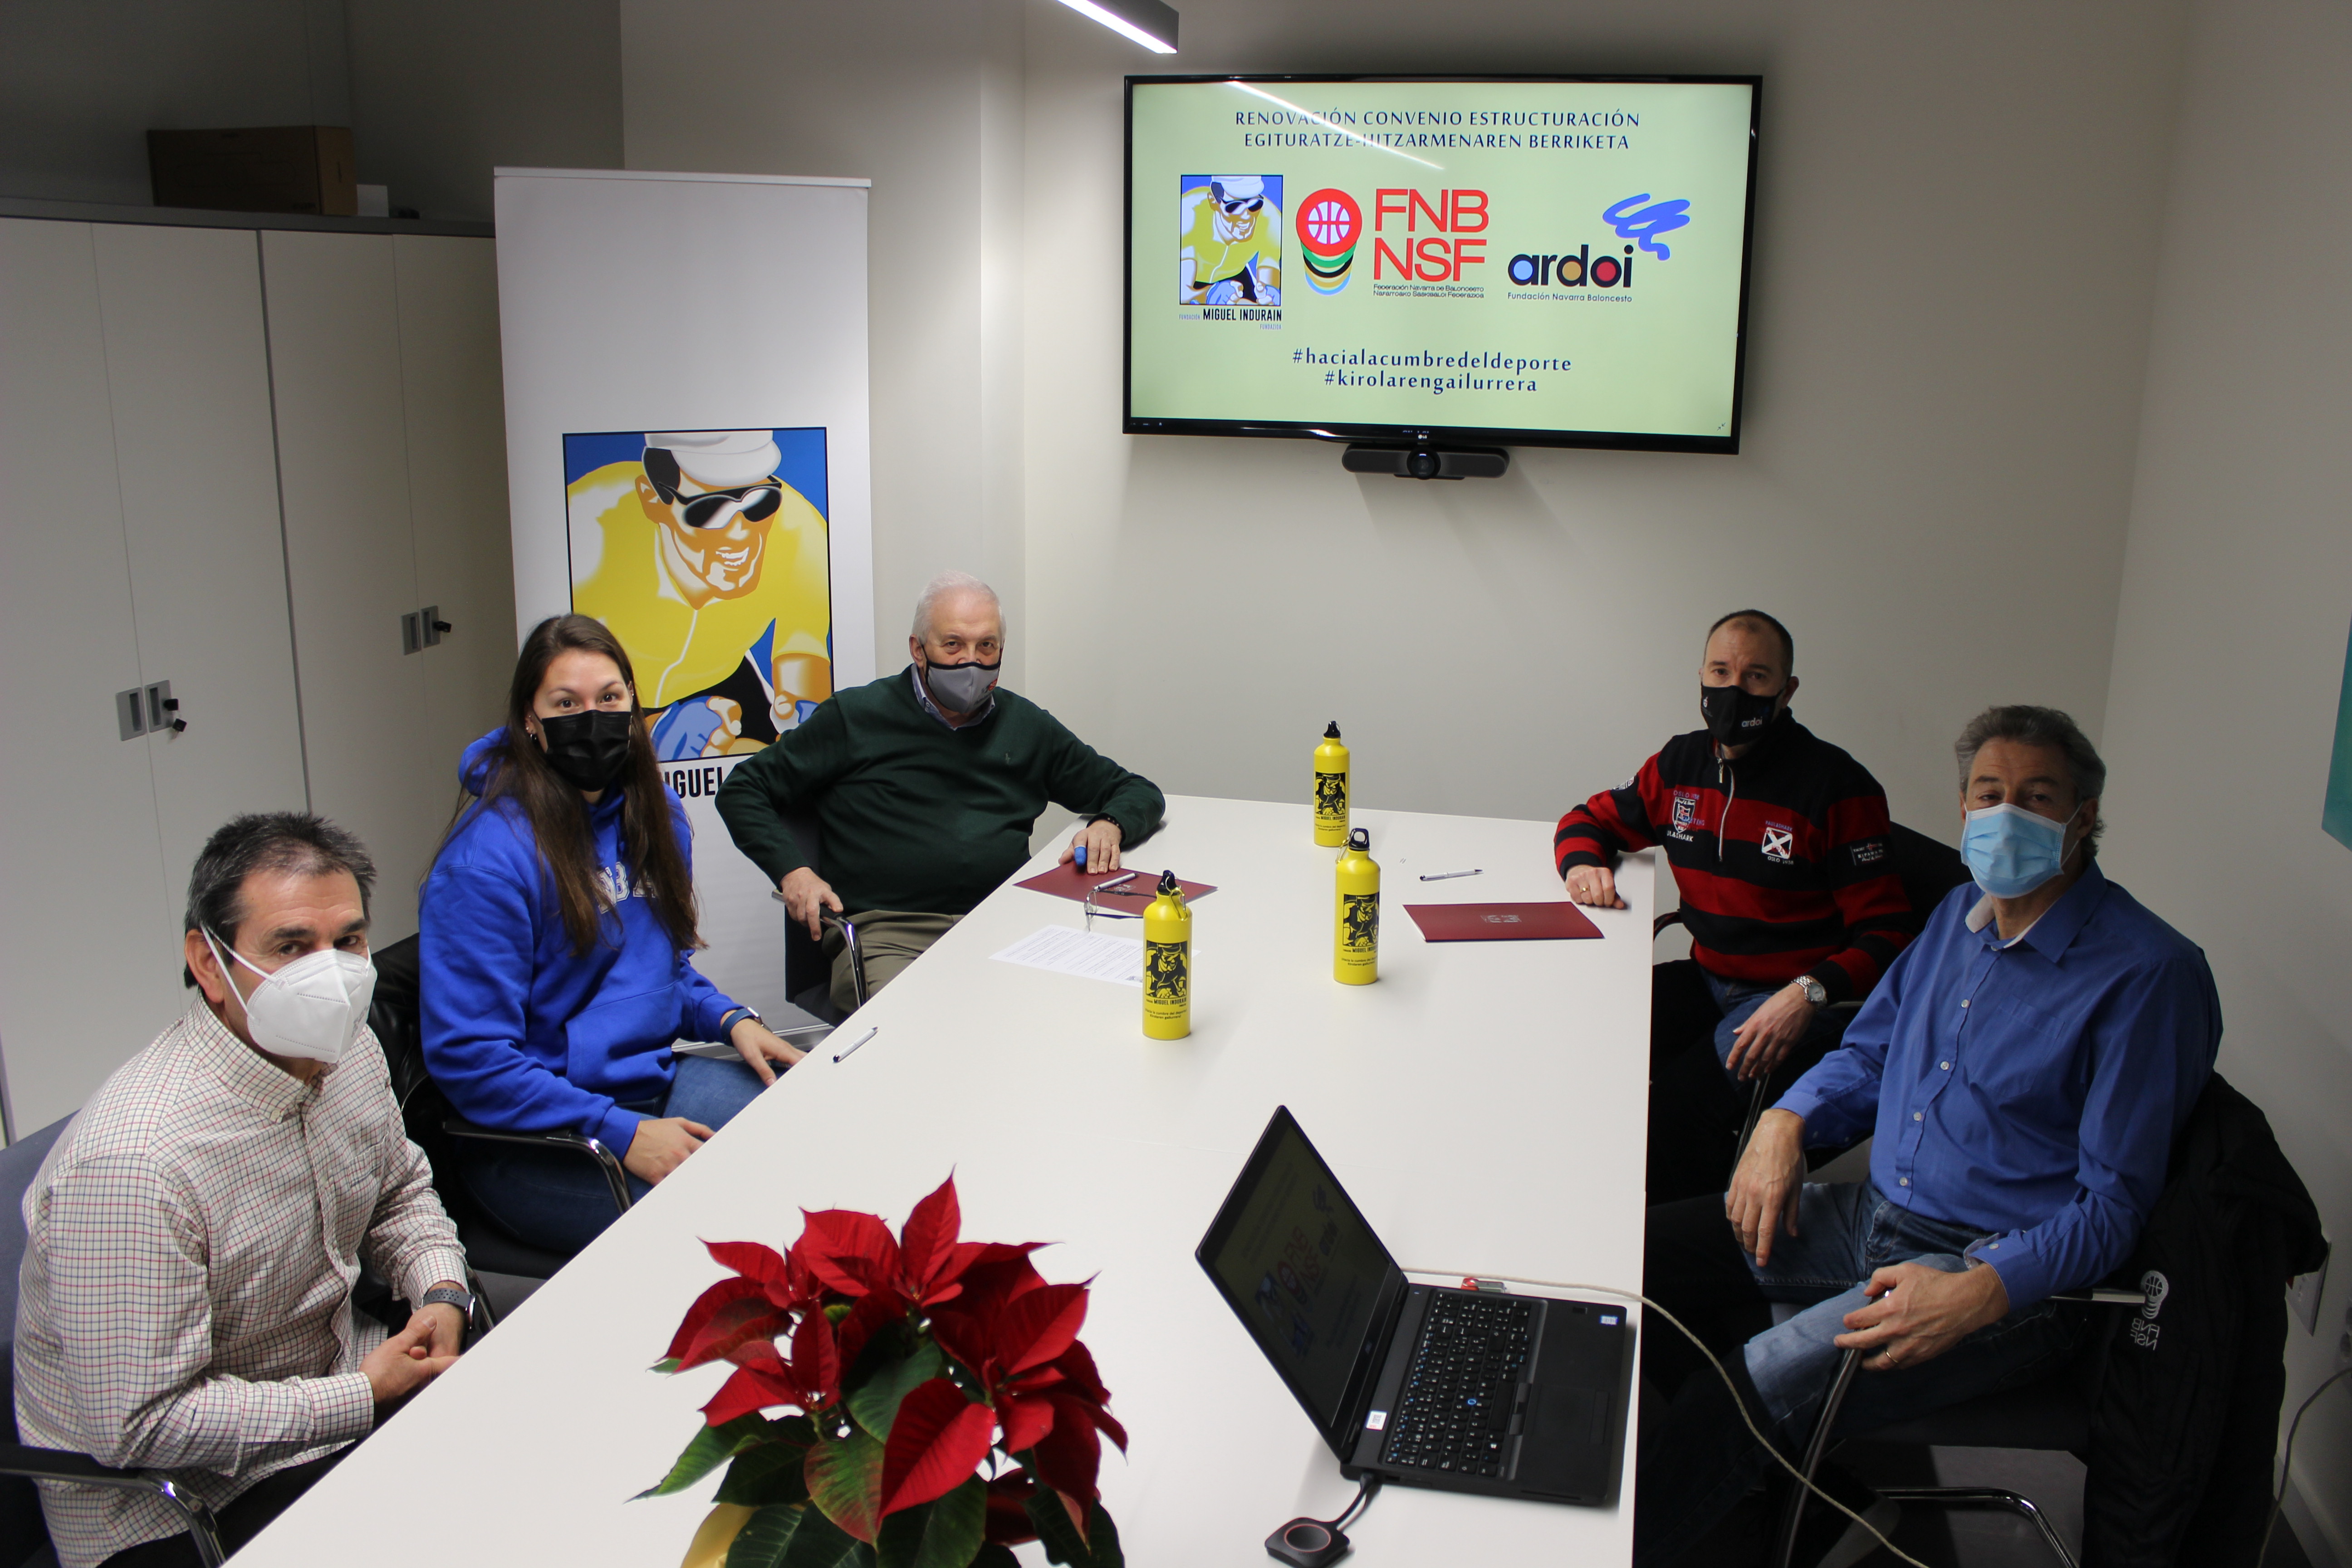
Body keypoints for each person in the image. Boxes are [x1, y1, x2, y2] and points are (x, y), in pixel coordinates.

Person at [1634, 706, 2220, 1567]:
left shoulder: (2147, 974)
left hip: (1990, 1274)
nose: (2006, 812)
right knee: (1632, 1257)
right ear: (1962, 807)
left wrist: (1982, 1289)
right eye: (1989, 794)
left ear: (2082, 817)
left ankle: (1653, 1529)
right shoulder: (1956, 916)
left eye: (2036, 795)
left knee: (1733, 1395)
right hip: (1876, 1215)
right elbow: (1869, 1052)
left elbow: (2113, 1208)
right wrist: (1785, 1121)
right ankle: (1805, 1506)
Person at [15, 814, 470, 1568]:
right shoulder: (135, 1161)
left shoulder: (349, 1049)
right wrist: (360, 1394)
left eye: (348, 941)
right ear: (207, 960)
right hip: (180, 1506)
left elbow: (399, 1192)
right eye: (291, 946)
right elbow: (139, 1426)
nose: (329, 972)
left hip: (347, 1389)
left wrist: (441, 1293)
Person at [419, 614, 805, 1255]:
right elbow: (473, 1060)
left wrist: (734, 1019)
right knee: (726, 1226)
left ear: (633, 706)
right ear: (530, 723)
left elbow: (664, 972)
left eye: (609, 699)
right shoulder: (485, 861)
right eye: (566, 704)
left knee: (809, 1132)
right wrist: (619, 1132)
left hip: (645, 1086)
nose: (591, 717)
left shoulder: (654, 814)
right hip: (541, 1138)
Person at [1556, 610, 1916, 1201]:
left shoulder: (1836, 786)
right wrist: (1582, 863)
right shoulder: (1680, 764)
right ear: (1701, 676)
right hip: (1709, 976)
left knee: (1677, 1105)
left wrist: (1808, 993)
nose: (1733, 690)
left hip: (1793, 997)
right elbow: (1587, 820)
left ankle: (1663, 1240)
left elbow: (1890, 934)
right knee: (1586, 1037)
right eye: (1721, 672)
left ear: (1786, 690)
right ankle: (1578, 1185)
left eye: (1755, 677)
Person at [716, 570, 1165, 1013]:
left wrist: (1111, 824)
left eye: (986, 646)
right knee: (915, 1031)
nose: (971, 662)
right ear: (918, 649)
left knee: (1079, 1010)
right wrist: (793, 872)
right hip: (889, 931)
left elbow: (1136, 791)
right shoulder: (856, 717)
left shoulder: (1026, 726)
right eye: (953, 645)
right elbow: (743, 788)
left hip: (1003, 920)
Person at [568, 428, 833, 760]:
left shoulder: (801, 530)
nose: (740, 534)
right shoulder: (583, 533)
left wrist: (805, 717)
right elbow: (561, 698)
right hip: (612, 695)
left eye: (760, 503)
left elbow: (802, 650)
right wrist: (647, 730)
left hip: (723, 672)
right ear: (653, 500)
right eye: (709, 510)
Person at [1179, 175, 1283, 304]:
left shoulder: (1271, 218)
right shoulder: (1189, 212)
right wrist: (1208, 295)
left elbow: (1267, 286)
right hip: (1195, 279)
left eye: (1254, 205)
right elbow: (1183, 291)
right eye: (1234, 207)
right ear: (1213, 201)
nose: (1246, 216)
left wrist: (1269, 295)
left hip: (1237, 274)